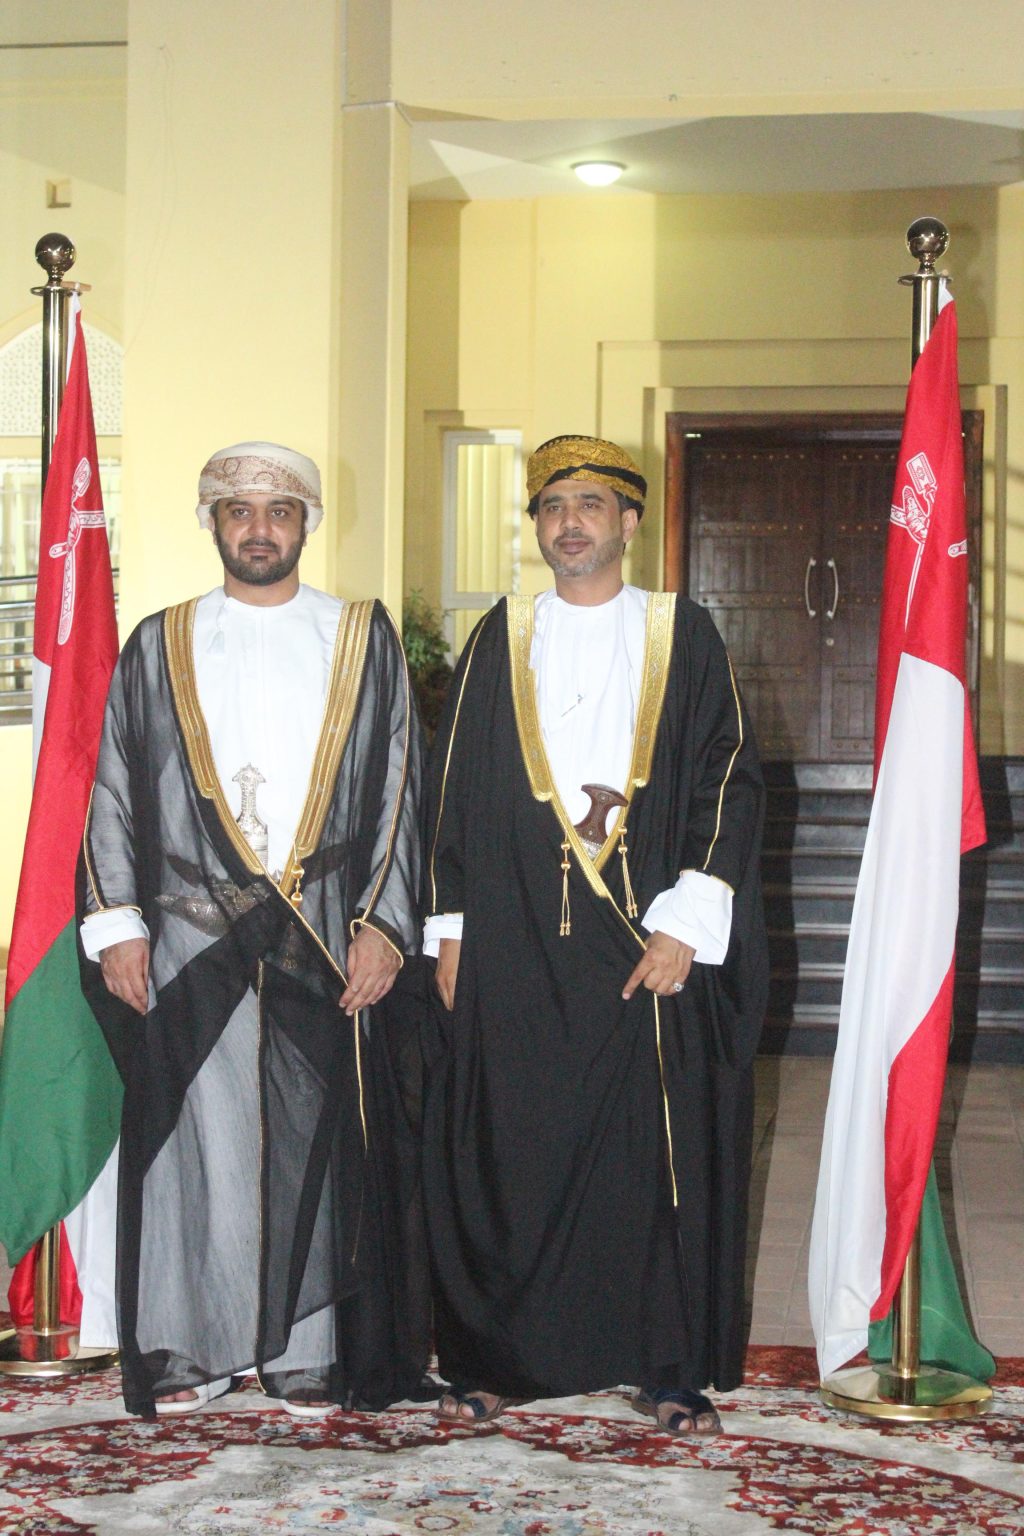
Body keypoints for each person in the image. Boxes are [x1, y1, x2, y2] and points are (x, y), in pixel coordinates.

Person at [422, 434, 769, 1435]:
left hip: (643, 938)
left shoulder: (680, 632)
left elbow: (728, 778)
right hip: (514, 937)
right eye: (550, 506)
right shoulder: (499, 636)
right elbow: (454, 790)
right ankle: (500, 1359)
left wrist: (687, 922)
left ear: (629, 520)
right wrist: (451, 929)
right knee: (510, 1143)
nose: (567, 522)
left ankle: (662, 1366)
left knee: (646, 1157)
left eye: (588, 504)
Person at [78, 441, 428, 1418]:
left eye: (279, 509)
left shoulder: (359, 637)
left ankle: (307, 1356)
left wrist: (383, 925)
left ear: (307, 521)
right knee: (201, 1143)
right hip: (192, 932)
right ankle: (196, 1346)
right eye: (240, 510)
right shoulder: (160, 642)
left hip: (324, 930)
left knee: (319, 1139)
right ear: (214, 522)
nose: (260, 527)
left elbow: (400, 787)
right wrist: (116, 923)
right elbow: (115, 788)